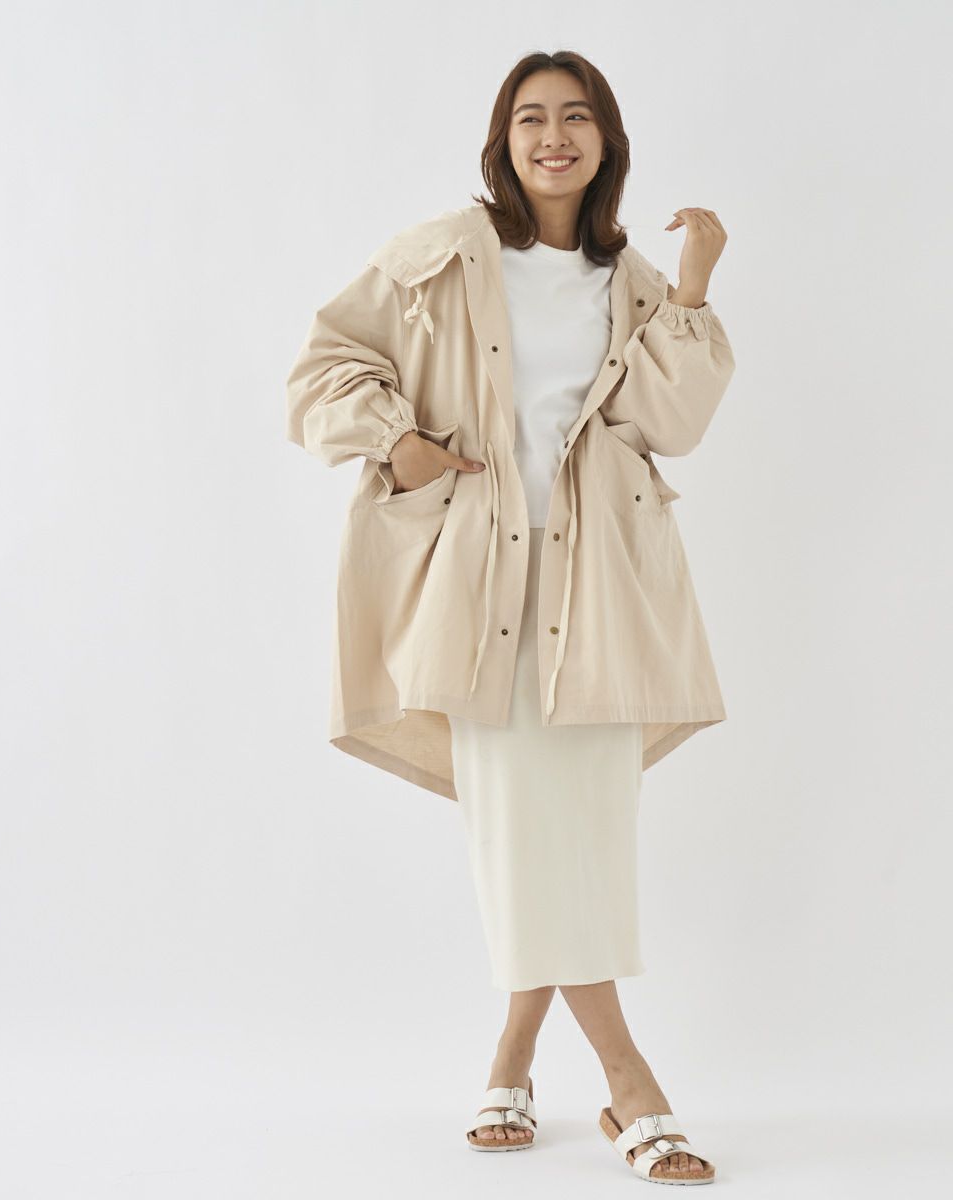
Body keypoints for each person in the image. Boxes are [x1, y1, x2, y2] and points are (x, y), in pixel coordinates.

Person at [286, 49, 734, 1186]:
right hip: (481, 585)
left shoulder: (632, 280)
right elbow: (323, 364)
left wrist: (692, 289)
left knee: (577, 831)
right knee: (528, 828)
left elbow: (672, 427)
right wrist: (398, 441)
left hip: (602, 588)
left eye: (575, 117)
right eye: (531, 118)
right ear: (503, 141)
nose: (553, 137)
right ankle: (630, 1081)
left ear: (606, 140)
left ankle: (512, 1056)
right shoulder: (438, 257)